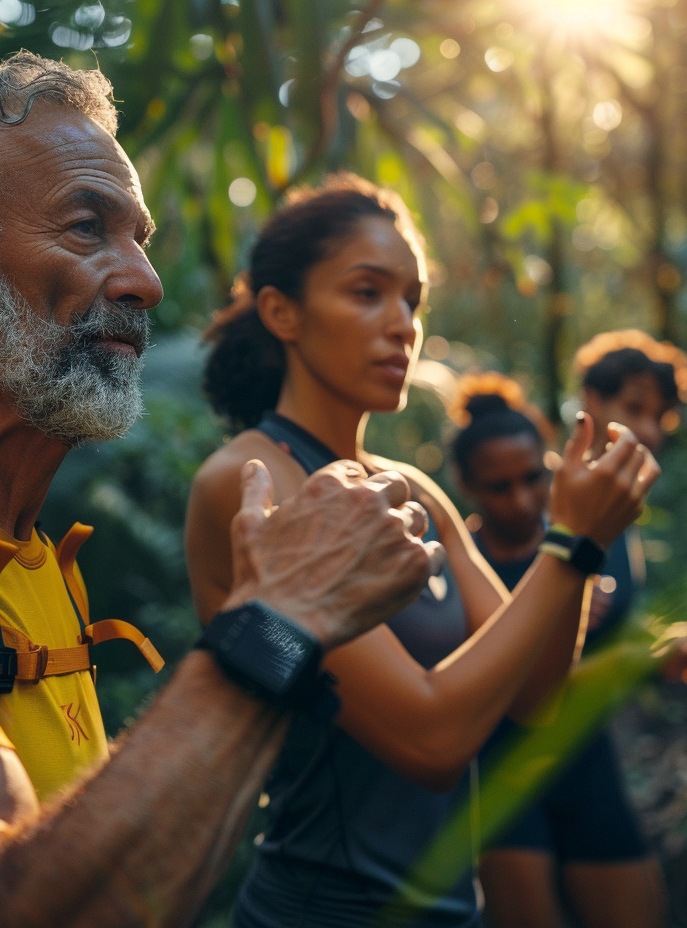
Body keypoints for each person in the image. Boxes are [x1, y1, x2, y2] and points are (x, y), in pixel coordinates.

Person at [0, 52, 447, 928]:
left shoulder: (26, 560)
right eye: (84, 227)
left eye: (138, 237)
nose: (145, 280)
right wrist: (277, 626)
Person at [184, 176, 662, 927]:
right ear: (282, 312)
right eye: (367, 292)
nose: (402, 324)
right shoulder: (248, 484)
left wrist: (583, 536)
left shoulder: (414, 490)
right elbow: (432, 742)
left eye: (412, 299)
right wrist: (567, 546)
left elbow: (537, 697)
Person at [460, 335, 687, 928]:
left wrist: (661, 646)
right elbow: (503, 686)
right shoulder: (468, 561)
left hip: (587, 759)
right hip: (502, 775)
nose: (520, 498)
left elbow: (613, 637)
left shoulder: (611, 520)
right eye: (635, 408)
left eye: (532, 478)